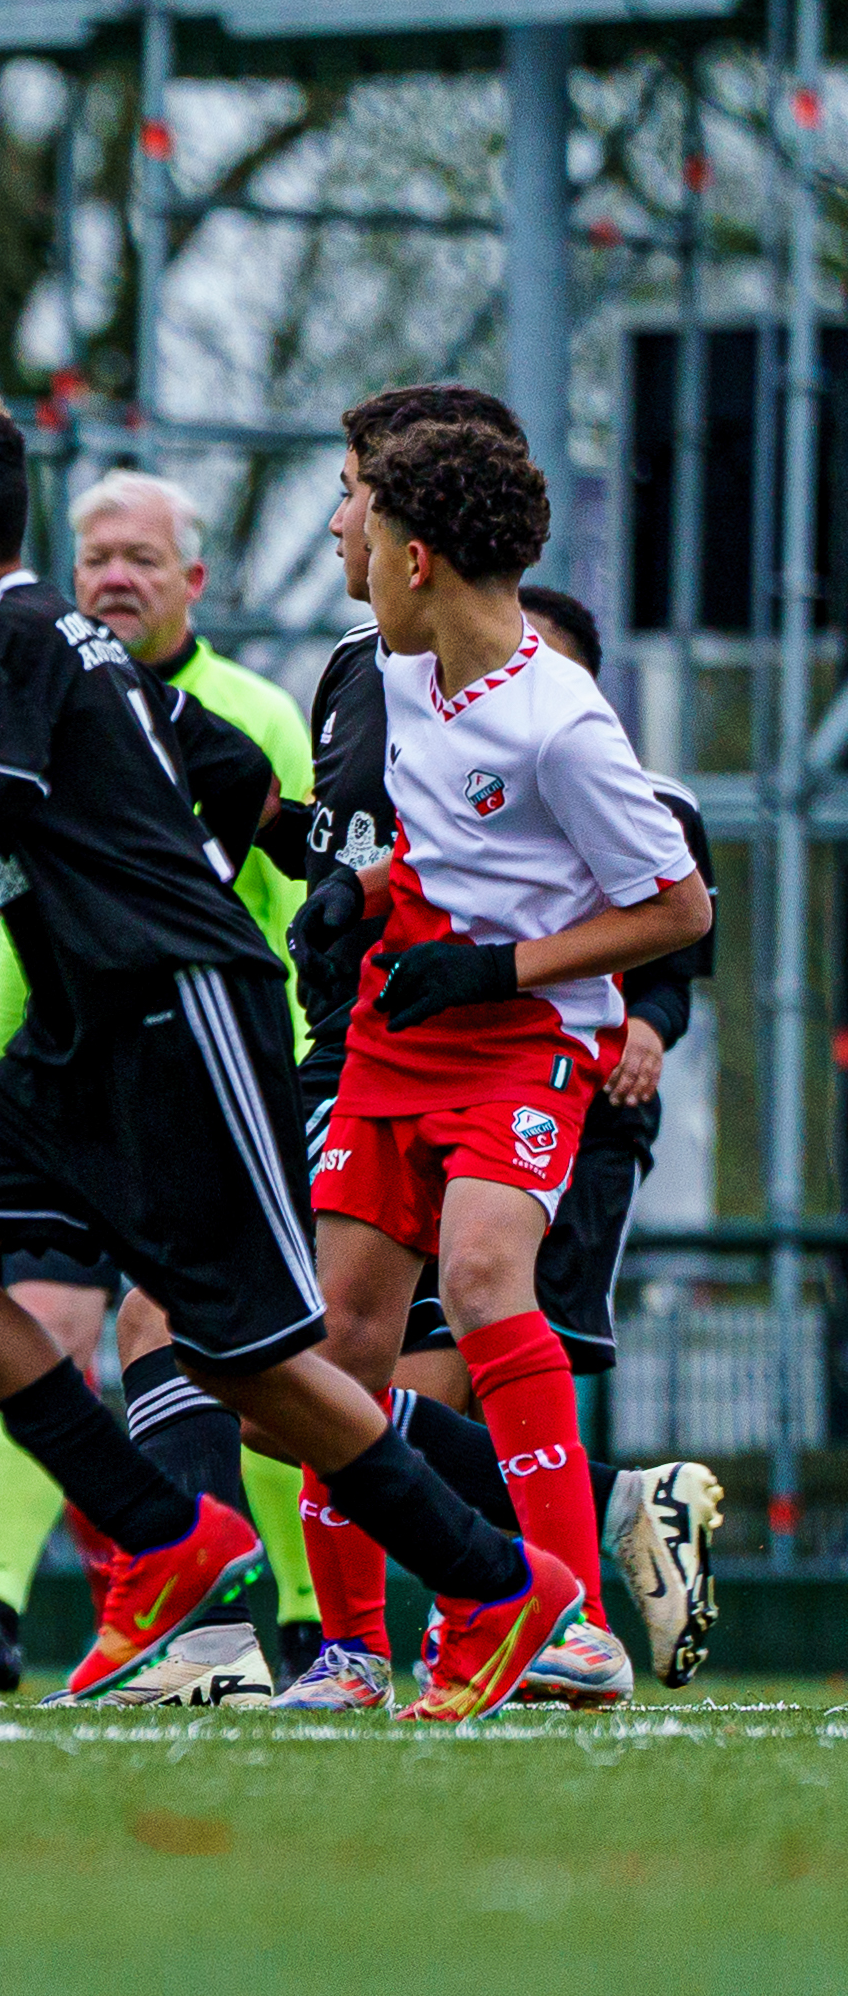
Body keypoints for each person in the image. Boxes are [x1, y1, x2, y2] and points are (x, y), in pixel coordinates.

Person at [0, 382, 580, 1723]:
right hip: (81, 1034)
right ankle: (167, 1532)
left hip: (178, 1013)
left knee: (251, 1362)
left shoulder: (7, 639)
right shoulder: (58, 640)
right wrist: (334, 866)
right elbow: (236, 783)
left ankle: (500, 1584)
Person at [263, 389, 716, 1712]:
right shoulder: (397, 678)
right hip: (400, 1040)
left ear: (417, 559)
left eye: (365, 530)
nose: (350, 554)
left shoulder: (561, 719)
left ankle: (569, 1613)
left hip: (526, 1040)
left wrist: (500, 965)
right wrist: (361, 892)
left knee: (476, 1274)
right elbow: (431, 843)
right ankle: (349, 1650)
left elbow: (677, 903)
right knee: (336, 1339)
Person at [0, 467, 323, 1704]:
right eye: (96, 560)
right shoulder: (24, 686)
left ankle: (266, 1619)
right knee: (39, 1315)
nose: (115, 578)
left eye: (141, 557)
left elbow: (294, 908)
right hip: (57, 1084)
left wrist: (302, 1074)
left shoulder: (251, 713)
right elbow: (13, 910)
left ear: (193, 580)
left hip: (205, 1074)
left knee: (201, 1344)